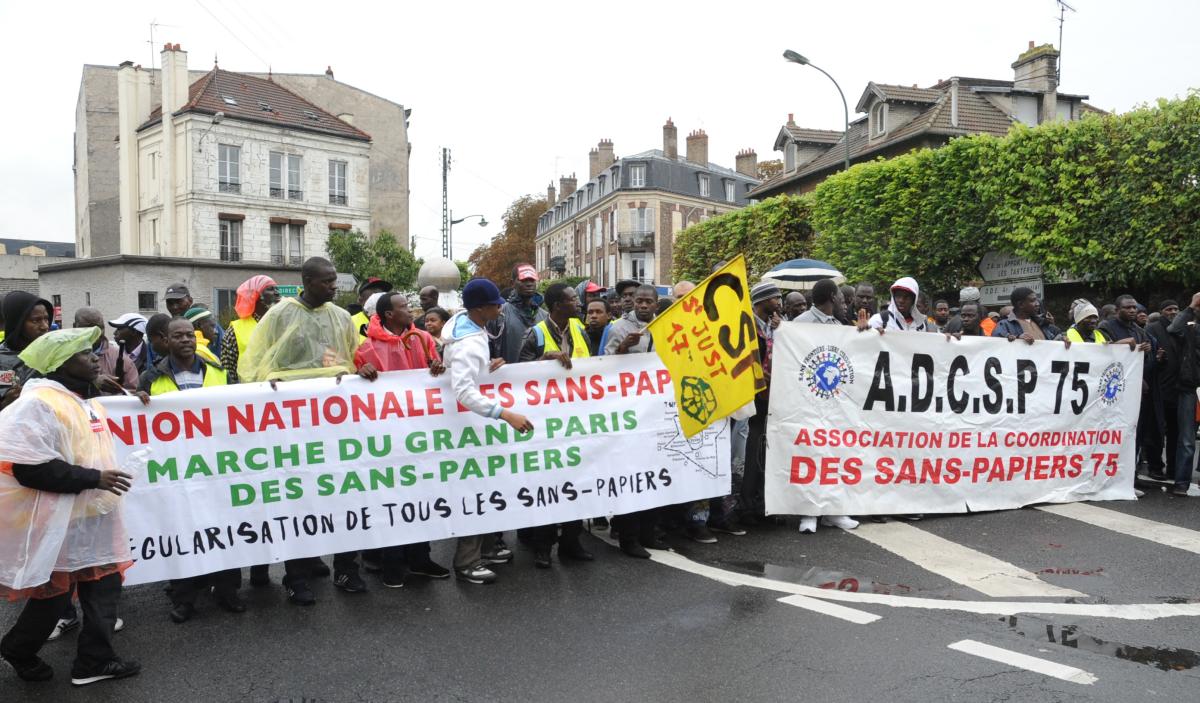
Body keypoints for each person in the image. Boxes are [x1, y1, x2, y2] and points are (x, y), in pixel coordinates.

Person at [0, 327, 140, 686]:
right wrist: (93, 479)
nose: (95, 358)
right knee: (62, 592)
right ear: (60, 363)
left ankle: (87, 659)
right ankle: (30, 650)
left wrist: (122, 394)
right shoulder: (37, 403)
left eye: (93, 351)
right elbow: (27, 467)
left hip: (90, 517)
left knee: (95, 587)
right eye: (84, 354)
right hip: (60, 519)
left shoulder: (79, 398)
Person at [238, 257, 379, 605]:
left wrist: (364, 368)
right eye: (326, 281)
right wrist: (266, 385)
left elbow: (351, 355)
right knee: (300, 499)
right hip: (292, 425)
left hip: (335, 422)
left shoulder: (341, 317)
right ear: (306, 281)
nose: (333, 287)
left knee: (346, 494)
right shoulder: (280, 315)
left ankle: (347, 568)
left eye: (334, 281)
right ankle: (295, 575)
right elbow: (254, 363)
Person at [137, 318, 243, 623]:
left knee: (224, 529)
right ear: (165, 341)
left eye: (189, 335)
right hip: (176, 470)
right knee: (182, 531)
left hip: (217, 466)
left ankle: (227, 591)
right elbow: (136, 419)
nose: (185, 340)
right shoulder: (150, 378)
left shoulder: (219, 373)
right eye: (177, 336)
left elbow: (240, 410)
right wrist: (135, 402)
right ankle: (184, 598)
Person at [353, 292, 451, 587]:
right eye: (403, 307)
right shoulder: (368, 346)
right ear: (388, 315)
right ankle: (391, 563)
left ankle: (420, 558)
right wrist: (360, 371)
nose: (410, 310)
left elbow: (437, 369)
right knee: (392, 501)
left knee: (422, 497)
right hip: (387, 439)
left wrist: (437, 367)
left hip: (421, 434)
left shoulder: (422, 338)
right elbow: (354, 381)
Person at [442, 279, 534, 583]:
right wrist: (506, 414)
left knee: (488, 486)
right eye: (495, 303)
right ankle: (467, 561)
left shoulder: (465, 324)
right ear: (481, 309)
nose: (500, 306)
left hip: (474, 424)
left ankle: (485, 547)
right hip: (472, 424)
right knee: (476, 491)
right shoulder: (469, 343)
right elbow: (464, 392)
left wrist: (489, 366)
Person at [517, 283, 595, 568]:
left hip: (578, 420)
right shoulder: (534, 334)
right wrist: (542, 360)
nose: (578, 301)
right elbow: (517, 377)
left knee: (577, 482)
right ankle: (542, 546)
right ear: (557, 305)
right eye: (573, 298)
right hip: (546, 424)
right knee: (547, 486)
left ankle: (571, 542)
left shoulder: (579, 329)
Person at [793, 279, 860, 533]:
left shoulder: (839, 325)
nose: (845, 302)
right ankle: (808, 513)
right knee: (810, 456)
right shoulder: (799, 325)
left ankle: (834, 511)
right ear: (832, 296)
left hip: (835, 405)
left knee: (835, 456)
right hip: (808, 402)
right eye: (841, 297)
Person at [604, 284, 663, 556]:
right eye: (638, 301)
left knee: (655, 475)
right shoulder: (618, 328)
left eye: (647, 302)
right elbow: (604, 370)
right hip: (629, 413)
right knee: (632, 475)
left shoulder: (665, 326)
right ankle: (629, 538)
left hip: (656, 412)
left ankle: (649, 533)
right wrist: (623, 350)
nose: (642, 306)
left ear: (655, 304)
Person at [1101, 295, 1159, 481]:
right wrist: (1121, 345)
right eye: (1128, 308)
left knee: (1134, 433)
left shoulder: (1138, 330)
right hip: (1112, 390)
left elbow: (1144, 362)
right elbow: (1101, 353)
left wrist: (1148, 353)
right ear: (1117, 310)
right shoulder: (1106, 327)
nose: (1133, 311)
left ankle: (1130, 475)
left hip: (1134, 389)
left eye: (1134, 307)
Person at [1167, 293, 1200, 497]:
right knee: (1187, 439)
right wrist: (1191, 305)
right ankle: (1182, 483)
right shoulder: (1190, 326)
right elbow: (1173, 329)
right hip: (1190, 389)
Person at [220, 275, 281, 385]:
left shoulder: (284, 323)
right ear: (256, 296)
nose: (277, 293)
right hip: (252, 394)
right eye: (270, 289)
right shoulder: (235, 330)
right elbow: (229, 372)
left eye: (277, 289)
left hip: (283, 392)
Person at [0, 291, 54, 412]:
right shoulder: (3, 359)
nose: (45, 326)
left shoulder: (54, 353)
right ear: (17, 322)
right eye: (36, 320)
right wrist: (7, 403)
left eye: (46, 319)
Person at [1147, 300, 1180, 481]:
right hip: (1159, 388)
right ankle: (1155, 466)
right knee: (1156, 431)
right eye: (1169, 309)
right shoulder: (1153, 329)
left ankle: (1174, 468)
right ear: (1161, 312)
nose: (1173, 312)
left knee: (1176, 432)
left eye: (1176, 309)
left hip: (1178, 389)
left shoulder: (1181, 329)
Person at [489, 264, 547, 364]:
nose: (529, 284)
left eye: (532, 280)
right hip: (507, 377)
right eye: (523, 280)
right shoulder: (499, 314)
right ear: (512, 283)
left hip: (537, 377)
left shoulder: (545, 316)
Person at [74, 308, 138, 391]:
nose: (95, 332)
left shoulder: (124, 361)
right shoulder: (63, 357)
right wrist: (91, 383)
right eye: (88, 327)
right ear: (74, 326)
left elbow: (131, 396)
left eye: (100, 327)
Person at [868, 278, 934, 332]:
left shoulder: (920, 325)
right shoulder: (879, 320)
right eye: (898, 296)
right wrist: (869, 333)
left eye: (907, 297)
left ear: (913, 300)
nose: (901, 300)